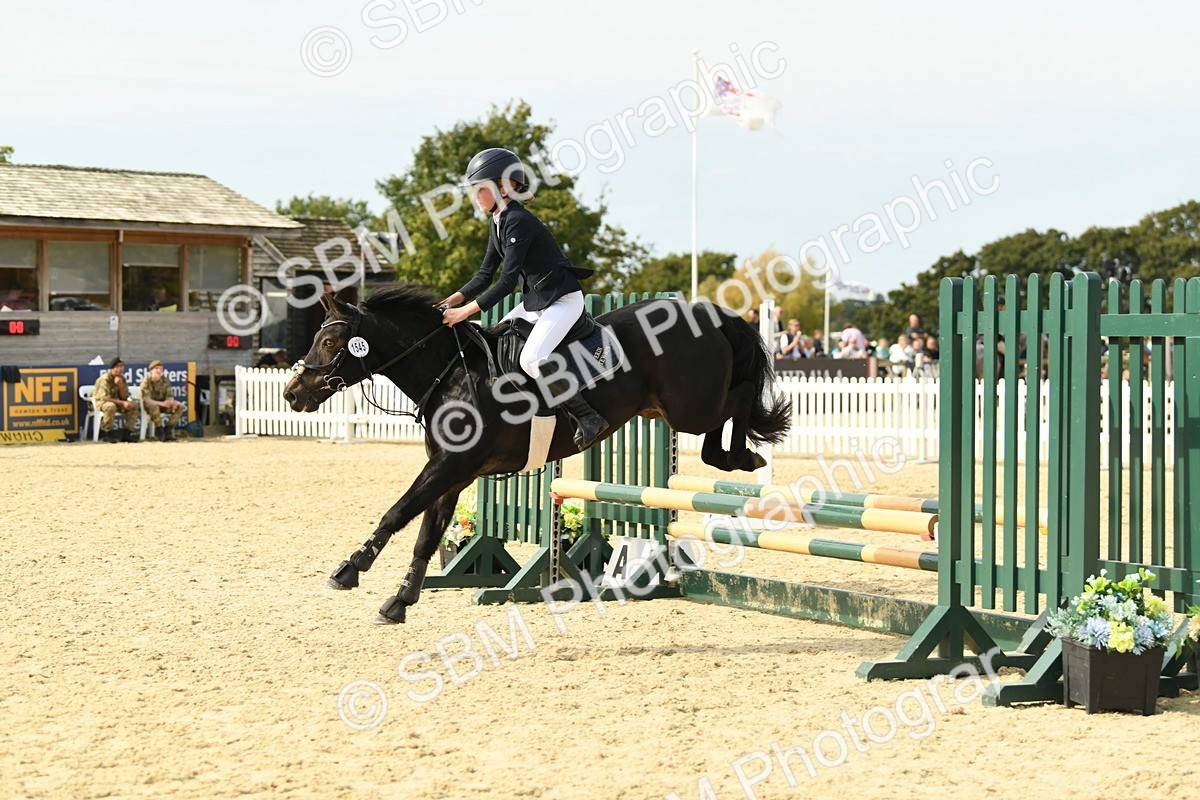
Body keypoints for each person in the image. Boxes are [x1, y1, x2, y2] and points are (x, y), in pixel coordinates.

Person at [438, 148, 606, 450]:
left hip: (562, 300)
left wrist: (464, 313)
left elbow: (506, 282)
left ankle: (587, 416)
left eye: (480, 188)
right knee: (496, 341)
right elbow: (485, 275)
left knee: (532, 359)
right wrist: (450, 302)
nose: (475, 196)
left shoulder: (518, 221)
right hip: (537, 303)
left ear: (503, 189)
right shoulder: (498, 220)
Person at [93, 357, 139, 443]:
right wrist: (122, 403)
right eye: (118, 367)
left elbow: (124, 397)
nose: (120, 369)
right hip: (101, 402)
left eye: (122, 366)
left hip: (115, 402)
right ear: (112, 368)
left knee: (134, 405)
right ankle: (107, 433)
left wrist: (121, 386)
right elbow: (105, 398)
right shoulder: (105, 379)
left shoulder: (122, 378)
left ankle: (127, 433)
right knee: (110, 406)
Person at [140, 359, 184, 441]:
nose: (159, 371)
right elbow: (146, 399)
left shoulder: (164, 380)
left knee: (180, 406)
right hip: (150, 406)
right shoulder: (146, 381)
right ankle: (159, 430)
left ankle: (168, 429)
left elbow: (169, 395)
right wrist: (162, 404)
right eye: (156, 368)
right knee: (154, 406)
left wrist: (171, 402)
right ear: (151, 370)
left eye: (161, 369)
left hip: (163, 405)